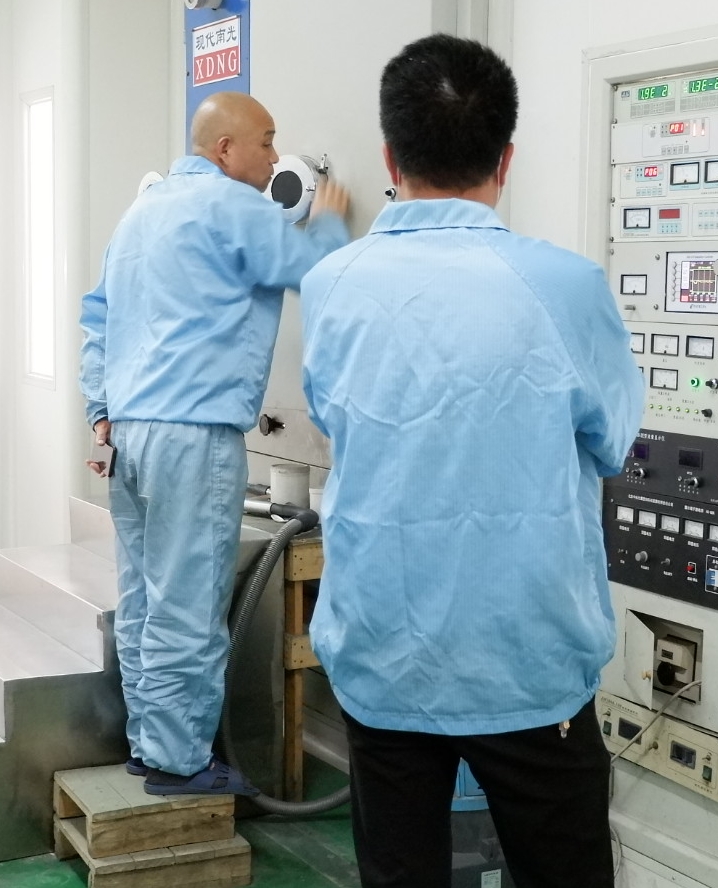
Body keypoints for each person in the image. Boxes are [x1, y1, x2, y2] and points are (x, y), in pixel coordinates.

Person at [300, 34, 644, 888]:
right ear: (506, 159)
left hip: (383, 648)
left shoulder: (332, 283)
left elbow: (333, 419)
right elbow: (612, 441)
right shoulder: (567, 285)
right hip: (527, 653)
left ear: (391, 157)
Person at [79, 91, 349, 796]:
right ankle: (179, 763)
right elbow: (313, 269)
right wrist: (329, 218)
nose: (273, 157)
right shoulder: (234, 207)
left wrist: (100, 408)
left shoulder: (141, 213)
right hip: (192, 436)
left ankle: (151, 746)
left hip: (129, 434)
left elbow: (97, 317)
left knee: (145, 600)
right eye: (266, 141)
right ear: (225, 149)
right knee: (190, 607)